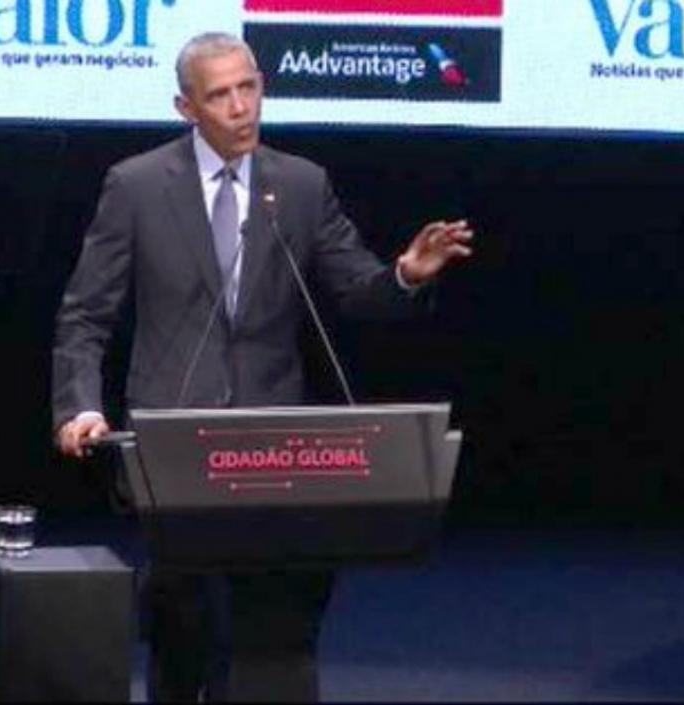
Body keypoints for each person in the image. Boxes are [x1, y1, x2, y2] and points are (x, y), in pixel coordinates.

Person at [51, 32, 474, 702]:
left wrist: (403, 274)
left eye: (249, 87)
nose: (242, 106)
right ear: (186, 107)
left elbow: (355, 289)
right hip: (174, 450)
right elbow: (85, 314)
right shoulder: (135, 186)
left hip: (274, 455)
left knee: (273, 638)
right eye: (220, 95)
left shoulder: (301, 186)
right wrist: (80, 404)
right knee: (183, 640)